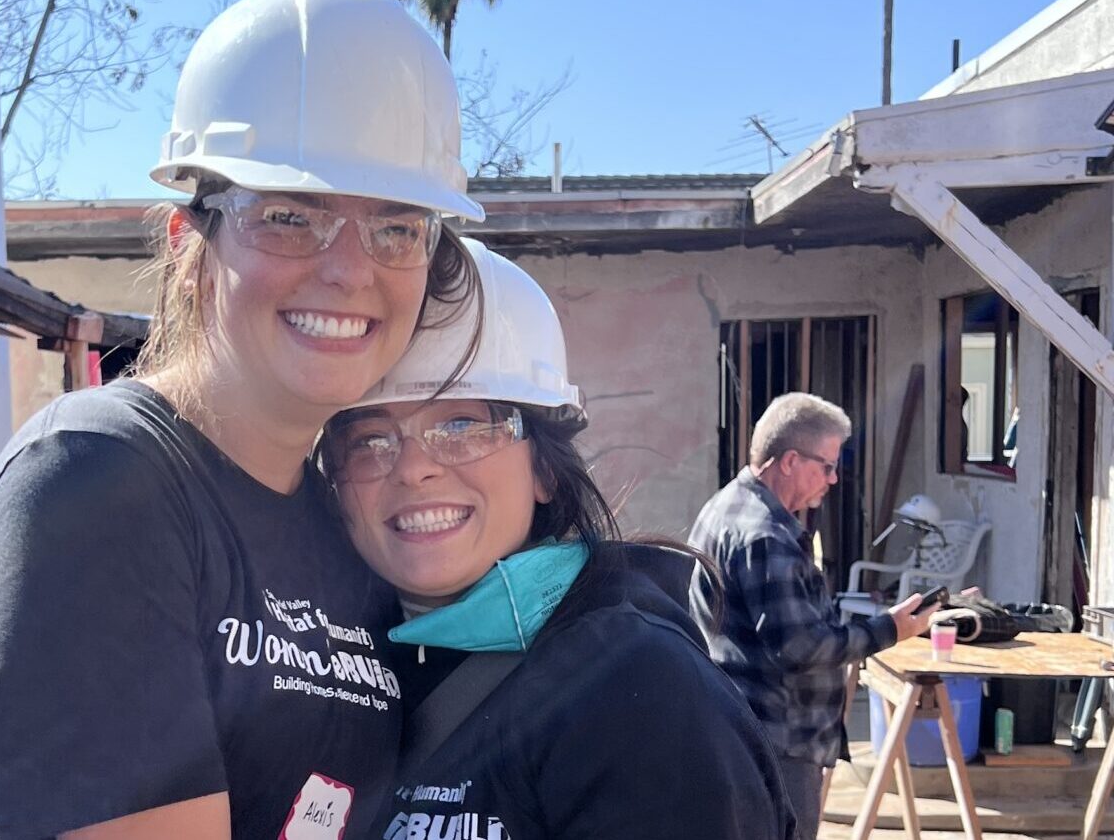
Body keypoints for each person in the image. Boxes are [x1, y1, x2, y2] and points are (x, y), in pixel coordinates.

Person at [0, 0, 486, 840]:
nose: (350, 270)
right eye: (288, 216)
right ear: (187, 242)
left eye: (396, 227)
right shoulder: (94, 485)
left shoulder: (344, 524)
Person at [321, 241, 796, 840]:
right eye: (369, 439)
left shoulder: (640, 693)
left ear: (545, 470)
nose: (413, 468)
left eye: (463, 424)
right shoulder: (333, 665)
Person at [688, 393, 934, 840]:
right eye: (826, 466)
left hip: (742, 731)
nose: (834, 479)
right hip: (778, 741)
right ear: (789, 461)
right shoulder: (765, 534)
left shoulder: (725, 505)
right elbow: (799, 647)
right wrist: (890, 629)